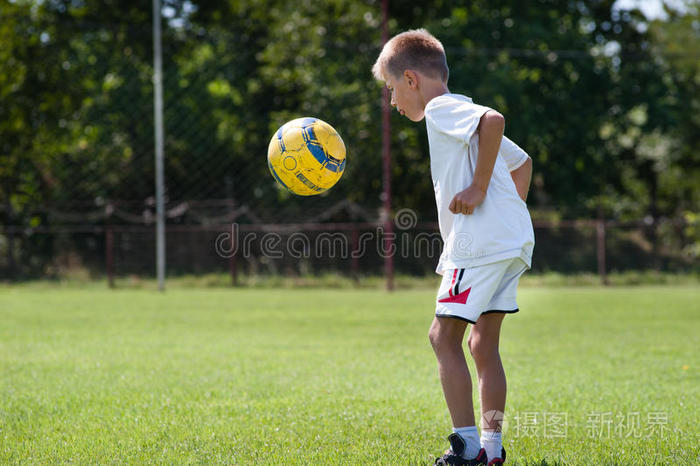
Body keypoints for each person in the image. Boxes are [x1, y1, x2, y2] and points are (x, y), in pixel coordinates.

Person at [371, 29, 535, 466]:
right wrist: (504, 214)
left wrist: (480, 191)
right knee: (483, 346)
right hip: (510, 242)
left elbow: (494, 121)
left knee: (443, 336)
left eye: (390, 89)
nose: (391, 101)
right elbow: (522, 164)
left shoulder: (443, 109)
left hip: (478, 245)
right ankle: (493, 451)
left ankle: (465, 451)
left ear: (410, 79)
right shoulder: (457, 110)